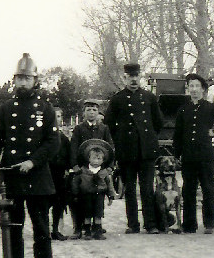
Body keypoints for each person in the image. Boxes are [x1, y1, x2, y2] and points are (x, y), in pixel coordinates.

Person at [0, 53, 60, 258]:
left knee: (41, 229)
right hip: (12, 178)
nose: (23, 83)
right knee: (13, 228)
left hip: (37, 177)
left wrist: (33, 161)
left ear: (35, 81)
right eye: (19, 79)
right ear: (14, 81)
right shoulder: (6, 109)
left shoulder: (45, 109)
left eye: (27, 79)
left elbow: (53, 142)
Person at [104, 59, 169, 234]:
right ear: (125, 78)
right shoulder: (118, 99)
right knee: (130, 189)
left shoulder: (149, 97)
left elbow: (158, 122)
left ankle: (151, 224)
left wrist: (148, 138)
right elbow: (108, 123)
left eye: (136, 76)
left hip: (146, 151)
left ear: (140, 77)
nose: (133, 79)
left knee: (147, 188)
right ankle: (133, 224)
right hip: (127, 152)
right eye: (130, 76)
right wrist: (121, 139)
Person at [173, 72, 214, 234]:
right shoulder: (183, 110)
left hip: (205, 156)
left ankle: (209, 223)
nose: (194, 90)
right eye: (191, 87)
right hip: (188, 157)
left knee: (208, 189)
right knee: (188, 190)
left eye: (197, 86)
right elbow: (178, 135)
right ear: (188, 89)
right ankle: (189, 225)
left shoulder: (210, 108)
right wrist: (177, 155)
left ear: (203, 90)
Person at [69, 99, 115, 240]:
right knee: (78, 198)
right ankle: (78, 227)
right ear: (84, 112)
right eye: (88, 109)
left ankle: (97, 226)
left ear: (98, 112)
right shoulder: (79, 129)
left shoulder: (104, 129)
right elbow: (73, 148)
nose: (91, 112)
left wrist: (109, 168)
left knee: (98, 200)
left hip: (99, 169)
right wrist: (75, 166)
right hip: (83, 170)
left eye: (94, 110)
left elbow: (110, 148)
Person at [70, 136, 118, 239]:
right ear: (88, 158)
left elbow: (109, 184)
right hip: (86, 195)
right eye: (93, 158)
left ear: (103, 160)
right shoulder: (82, 171)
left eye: (99, 159)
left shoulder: (103, 173)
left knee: (98, 213)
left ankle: (98, 231)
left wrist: (111, 196)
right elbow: (76, 182)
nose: (96, 161)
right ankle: (87, 231)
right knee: (87, 213)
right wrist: (75, 194)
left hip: (99, 196)